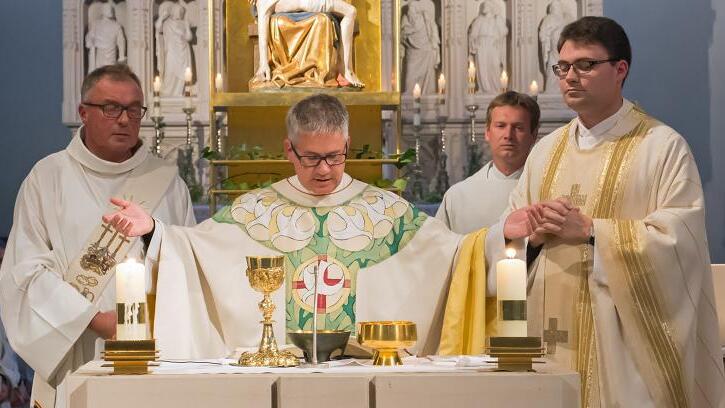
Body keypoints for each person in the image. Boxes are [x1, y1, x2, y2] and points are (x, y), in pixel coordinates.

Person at [103, 93, 498, 361]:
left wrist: (501, 235)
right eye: (311, 157)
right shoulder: (257, 209)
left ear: (347, 143)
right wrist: (155, 230)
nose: (325, 169)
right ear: (289, 149)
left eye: (335, 156)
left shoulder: (386, 209)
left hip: (362, 368)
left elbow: (454, 252)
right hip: (280, 368)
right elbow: (196, 249)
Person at [487, 17, 725, 407]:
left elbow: (680, 245)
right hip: (545, 337)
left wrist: (594, 231)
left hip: (622, 353)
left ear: (620, 69)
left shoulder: (661, 147)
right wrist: (527, 235)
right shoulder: (546, 152)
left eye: (585, 65)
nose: (570, 77)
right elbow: (511, 239)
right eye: (562, 67)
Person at [0, 63, 196, 408]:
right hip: (77, 348)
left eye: (134, 109)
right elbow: (26, 273)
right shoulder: (47, 178)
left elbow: (191, 263)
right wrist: (97, 321)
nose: (124, 119)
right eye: (111, 107)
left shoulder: (168, 184)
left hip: (154, 350)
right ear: (83, 113)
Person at [436, 91, 539, 233]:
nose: (508, 135)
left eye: (518, 128)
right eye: (501, 126)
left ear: (533, 135)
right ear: (487, 132)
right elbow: (439, 250)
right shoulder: (458, 196)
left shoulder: (548, 190)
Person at [468, 0, 508, 93]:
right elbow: (473, 34)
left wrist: (497, 19)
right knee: (482, 66)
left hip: (492, 44)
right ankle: (484, 88)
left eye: (486, 6)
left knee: (494, 64)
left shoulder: (497, 19)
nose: (484, 7)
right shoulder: (479, 20)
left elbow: (504, 31)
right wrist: (474, 41)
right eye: (483, 6)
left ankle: (496, 87)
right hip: (481, 45)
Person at [401, 0, 440, 94]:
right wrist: (406, 35)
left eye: (413, 10)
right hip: (413, 53)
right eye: (410, 11)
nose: (411, 13)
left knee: (427, 77)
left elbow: (433, 30)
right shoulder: (405, 20)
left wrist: (434, 46)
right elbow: (401, 36)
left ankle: (427, 96)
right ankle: (408, 97)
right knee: (410, 77)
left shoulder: (425, 18)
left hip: (426, 51)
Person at [156, 3, 194, 97]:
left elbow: (189, 38)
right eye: (178, 11)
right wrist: (161, 17)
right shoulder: (167, 23)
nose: (180, 13)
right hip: (171, 50)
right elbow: (158, 27)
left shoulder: (184, 23)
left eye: (181, 11)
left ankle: (179, 92)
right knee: (170, 71)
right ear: (173, 11)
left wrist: (187, 27)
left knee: (183, 73)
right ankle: (167, 92)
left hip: (183, 51)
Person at [85, 3, 126, 73]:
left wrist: (121, 56)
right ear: (103, 11)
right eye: (107, 9)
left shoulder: (116, 26)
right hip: (99, 55)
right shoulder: (96, 24)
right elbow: (89, 37)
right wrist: (90, 42)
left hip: (111, 54)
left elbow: (121, 42)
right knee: (98, 74)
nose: (110, 11)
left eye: (111, 9)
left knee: (110, 73)